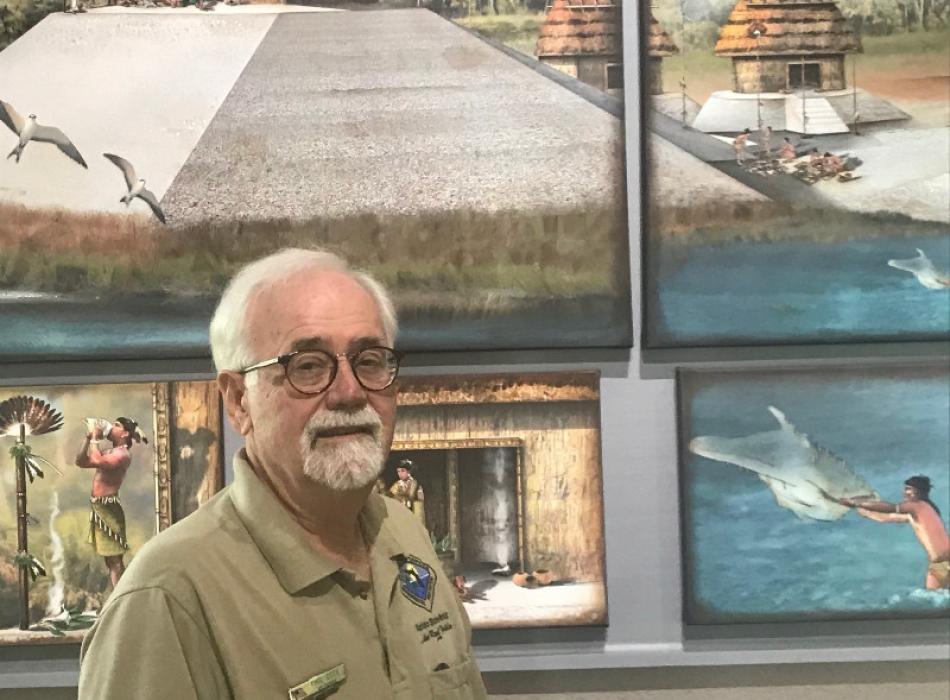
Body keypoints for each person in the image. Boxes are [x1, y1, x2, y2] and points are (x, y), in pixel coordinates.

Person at [78, 248, 487, 699]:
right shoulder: (167, 602)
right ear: (238, 401)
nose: (350, 393)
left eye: (369, 360)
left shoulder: (405, 534)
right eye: (308, 366)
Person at [829, 475, 949, 590]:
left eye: (908, 489)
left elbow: (890, 507)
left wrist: (855, 502)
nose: (904, 493)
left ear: (918, 491)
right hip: (937, 565)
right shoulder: (917, 512)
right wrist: (864, 511)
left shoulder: (918, 506)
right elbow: (886, 517)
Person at [75, 417, 145, 588]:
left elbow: (97, 460)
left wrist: (95, 440)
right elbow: (81, 461)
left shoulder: (122, 454)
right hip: (100, 505)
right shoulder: (110, 452)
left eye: (117, 425)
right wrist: (87, 438)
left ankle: (121, 596)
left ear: (125, 433)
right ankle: (119, 595)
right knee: (110, 560)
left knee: (115, 559)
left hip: (108, 507)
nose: (112, 427)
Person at [390, 458, 426, 524]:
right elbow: (392, 494)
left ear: (408, 472)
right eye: (398, 471)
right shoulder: (397, 484)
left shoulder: (414, 483)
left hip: (412, 510)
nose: (400, 473)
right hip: (399, 510)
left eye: (403, 471)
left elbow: (412, 495)